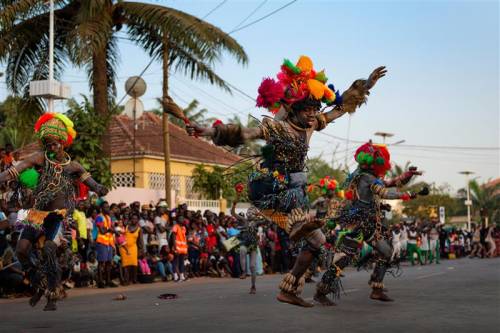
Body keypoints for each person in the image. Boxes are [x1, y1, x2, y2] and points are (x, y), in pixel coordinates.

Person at [181, 56, 387, 307]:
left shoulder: (312, 125)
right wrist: (210, 132)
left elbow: (340, 108)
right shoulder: (276, 128)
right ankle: (298, 229)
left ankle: (289, 287)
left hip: (295, 190)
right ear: (293, 109)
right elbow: (245, 133)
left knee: (318, 244)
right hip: (271, 188)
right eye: (307, 110)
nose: (312, 115)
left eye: (314, 110)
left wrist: (366, 84)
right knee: (310, 231)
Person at [0, 113, 107, 311]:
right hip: (36, 214)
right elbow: (16, 170)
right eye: (47, 144)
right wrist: (2, 176)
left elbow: (90, 182)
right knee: (21, 250)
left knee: (49, 249)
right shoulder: (39, 158)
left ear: (63, 142)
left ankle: (52, 292)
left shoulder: (73, 166)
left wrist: (99, 187)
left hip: (58, 215)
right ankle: (36, 280)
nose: (51, 147)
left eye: (54, 143)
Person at [313, 142, 427, 305]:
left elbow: (389, 183)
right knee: (344, 259)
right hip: (358, 225)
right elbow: (385, 191)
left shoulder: (366, 176)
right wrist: (410, 193)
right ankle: (321, 291)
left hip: (369, 225)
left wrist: (408, 175)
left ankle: (377, 288)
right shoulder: (367, 177)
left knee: (387, 252)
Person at [231, 195, 269, 294]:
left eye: (252, 212)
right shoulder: (243, 220)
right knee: (242, 250)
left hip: (252, 244)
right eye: (249, 212)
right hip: (244, 242)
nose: (250, 214)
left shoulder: (257, 222)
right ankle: (243, 272)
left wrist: (261, 213)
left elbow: (269, 221)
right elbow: (233, 213)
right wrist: (234, 204)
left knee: (252, 266)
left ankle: (253, 286)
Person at [95, 201, 118, 289]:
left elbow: (109, 229)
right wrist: (111, 230)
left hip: (109, 242)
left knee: (109, 262)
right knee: (101, 263)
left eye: (108, 207)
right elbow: (102, 231)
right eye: (106, 207)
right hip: (101, 242)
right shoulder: (99, 217)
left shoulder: (108, 217)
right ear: (101, 209)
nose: (108, 209)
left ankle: (108, 281)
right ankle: (100, 282)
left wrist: (110, 230)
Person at [120, 212, 144, 285]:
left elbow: (140, 240)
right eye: (133, 218)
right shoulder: (126, 226)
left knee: (134, 264)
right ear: (130, 219)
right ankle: (126, 280)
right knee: (125, 264)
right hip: (124, 247)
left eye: (136, 219)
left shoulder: (139, 229)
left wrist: (141, 250)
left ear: (138, 220)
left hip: (133, 247)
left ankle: (134, 279)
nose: (134, 220)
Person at [171, 215, 188, 282]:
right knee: (175, 261)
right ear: (177, 220)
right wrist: (174, 246)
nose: (181, 219)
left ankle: (181, 275)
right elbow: (173, 236)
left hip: (183, 247)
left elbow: (184, 237)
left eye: (182, 218)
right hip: (177, 246)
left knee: (181, 261)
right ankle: (175, 276)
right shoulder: (175, 226)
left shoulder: (184, 227)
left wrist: (186, 247)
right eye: (180, 218)